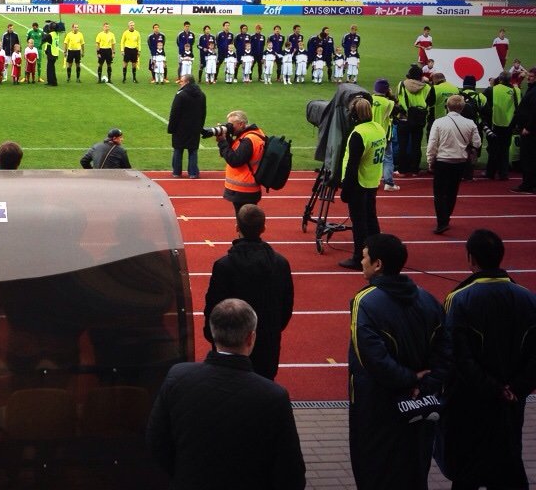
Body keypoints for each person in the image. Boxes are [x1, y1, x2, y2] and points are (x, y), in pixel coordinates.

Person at [147, 298, 306, 490]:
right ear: (251, 338)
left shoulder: (178, 377)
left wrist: (183, 475)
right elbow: (291, 471)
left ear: (213, 333)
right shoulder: (274, 396)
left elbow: (156, 443)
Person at [348, 233, 450, 490]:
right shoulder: (428, 299)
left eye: (364, 258)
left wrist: (408, 380)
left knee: (375, 472)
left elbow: (372, 357)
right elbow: (446, 351)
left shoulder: (365, 302)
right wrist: (426, 384)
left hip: (377, 406)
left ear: (378, 264)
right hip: (420, 404)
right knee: (415, 471)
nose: (361, 263)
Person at [438, 229, 536, 490]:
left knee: (467, 468)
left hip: (471, 400)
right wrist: (516, 389)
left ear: (471, 258)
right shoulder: (528, 297)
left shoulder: (459, 299)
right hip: (511, 401)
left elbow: (458, 356)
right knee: (507, 462)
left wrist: (491, 388)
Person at [203, 205, 293, 381]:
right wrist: (273, 329)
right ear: (263, 228)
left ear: (237, 228)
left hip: (229, 343)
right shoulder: (281, 263)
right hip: (267, 339)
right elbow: (286, 305)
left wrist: (212, 335)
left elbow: (213, 305)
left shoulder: (223, 266)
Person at [337, 97, 386, 269]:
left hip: (359, 181)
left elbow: (352, 163)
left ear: (354, 114)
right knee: (371, 218)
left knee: (359, 222)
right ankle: (377, 252)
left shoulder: (358, 133)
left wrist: (346, 188)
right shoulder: (378, 128)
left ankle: (359, 257)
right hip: (372, 179)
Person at [427, 94, 481, 234]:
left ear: (447, 106)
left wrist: (430, 160)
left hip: (442, 161)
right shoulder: (470, 123)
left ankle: (442, 221)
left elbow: (432, 144)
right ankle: (446, 218)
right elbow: (477, 143)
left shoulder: (439, 122)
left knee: (439, 193)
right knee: (452, 191)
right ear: (462, 107)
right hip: (460, 162)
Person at [216, 110, 265, 219]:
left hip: (244, 189)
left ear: (241, 124)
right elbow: (235, 151)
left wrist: (222, 142)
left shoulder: (248, 140)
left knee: (245, 221)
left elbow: (235, 160)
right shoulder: (252, 135)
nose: (229, 127)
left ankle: (244, 235)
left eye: (231, 125)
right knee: (248, 220)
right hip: (248, 188)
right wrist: (227, 138)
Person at [396, 64, 434, 176]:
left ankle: (402, 170)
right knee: (416, 145)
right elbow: (431, 102)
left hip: (404, 118)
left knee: (402, 145)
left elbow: (397, 98)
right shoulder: (427, 87)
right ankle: (414, 170)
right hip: (419, 119)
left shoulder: (401, 85)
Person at [482, 71, 521, 180]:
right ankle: (503, 173)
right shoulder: (516, 91)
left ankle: (490, 172)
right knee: (504, 149)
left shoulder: (491, 90)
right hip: (509, 124)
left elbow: (484, 106)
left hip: (494, 124)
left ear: (500, 79)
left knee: (493, 149)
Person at [167, 74, 205, 179]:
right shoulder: (201, 94)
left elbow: (174, 113)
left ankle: (176, 172)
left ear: (187, 82)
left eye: (182, 81)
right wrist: (200, 127)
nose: (180, 82)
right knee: (193, 150)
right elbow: (203, 113)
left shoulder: (181, 95)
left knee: (178, 149)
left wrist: (171, 128)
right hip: (195, 128)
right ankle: (193, 173)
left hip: (180, 128)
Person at [512, 66, 536, 193]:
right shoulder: (532, 89)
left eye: (531, 77)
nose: (528, 79)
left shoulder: (534, 91)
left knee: (529, 158)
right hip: (528, 129)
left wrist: (528, 127)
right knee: (529, 157)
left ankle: (528, 184)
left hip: (530, 131)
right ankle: (529, 183)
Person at [372, 79, 399, 191]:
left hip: (369, 133)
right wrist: (391, 95)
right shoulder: (390, 103)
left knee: (370, 158)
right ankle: (388, 183)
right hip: (384, 134)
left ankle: (372, 181)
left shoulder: (369, 99)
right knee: (387, 158)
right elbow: (398, 110)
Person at [42, 21, 60, 86]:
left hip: (51, 53)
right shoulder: (56, 33)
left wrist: (44, 32)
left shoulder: (50, 35)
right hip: (55, 52)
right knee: (52, 67)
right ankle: (53, 81)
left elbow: (43, 39)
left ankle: (51, 82)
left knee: (50, 68)